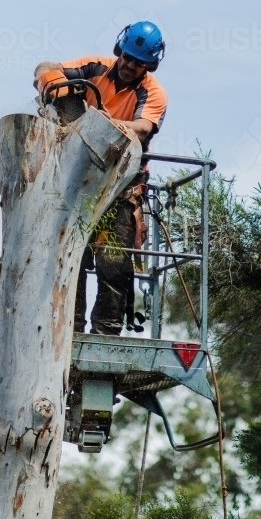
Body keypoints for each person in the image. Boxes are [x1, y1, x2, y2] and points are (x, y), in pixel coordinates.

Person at [32, 21, 168, 335]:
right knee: (69, 252)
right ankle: (69, 327)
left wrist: (111, 123)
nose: (130, 65)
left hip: (120, 188)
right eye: (127, 57)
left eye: (138, 62)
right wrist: (59, 91)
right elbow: (46, 68)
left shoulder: (153, 93)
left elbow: (144, 127)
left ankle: (106, 331)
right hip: (76, 183)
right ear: (120, 50)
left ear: (149, 65)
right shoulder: (96, 67)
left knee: (113, 260)